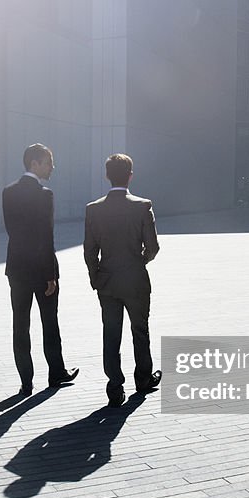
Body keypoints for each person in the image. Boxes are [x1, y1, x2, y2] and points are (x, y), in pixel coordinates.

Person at [83, 153, 162, 407]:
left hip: (107, 282)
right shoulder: (142, 206)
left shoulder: (93, 209)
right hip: (136, 280)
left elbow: (89, 249)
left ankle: (115, 388)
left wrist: (95, 277)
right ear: (130, 175)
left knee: (111, 334)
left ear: (107, 176)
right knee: (140, 330)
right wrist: (140, 261)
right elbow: (153, 247)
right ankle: (143, 379)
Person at [2, 144, 79, 397]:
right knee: (50, 323)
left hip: (17, 269)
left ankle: (26, 382)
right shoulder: (45, 195)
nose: (52, 167)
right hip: (41, 271)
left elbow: (12, 231)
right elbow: (46, 236)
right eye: (48, 162)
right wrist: (50, 274)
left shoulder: (8, 192)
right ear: (34, 164)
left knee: (20, 325)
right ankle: (56, 373)